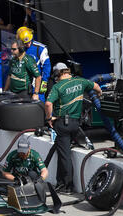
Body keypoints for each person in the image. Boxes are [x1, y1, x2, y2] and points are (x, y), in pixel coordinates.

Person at [45, 62, 102, 194]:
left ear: (57, 74)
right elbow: (97, 86)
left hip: (62, 124)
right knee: (68, 150)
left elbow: (48, 104)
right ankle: (61, 183)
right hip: (76, 124)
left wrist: (49, 118)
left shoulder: (57, 87)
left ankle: (67, 186)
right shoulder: (80, 81)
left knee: (65, 156)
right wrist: (98, 96)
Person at [17, 26, 51, 101]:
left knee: (40, 105)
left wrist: (44, 82)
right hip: (23, 85)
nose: (28, 44)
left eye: (29, 41)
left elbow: (47, 66)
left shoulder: (40, 48)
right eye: (25, 43)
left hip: (37, 83)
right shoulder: (18, 49)